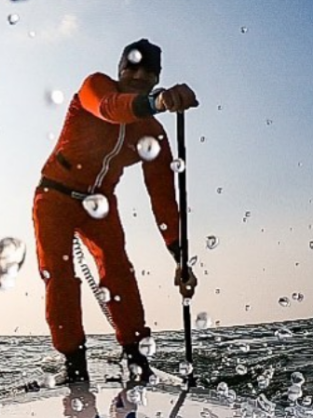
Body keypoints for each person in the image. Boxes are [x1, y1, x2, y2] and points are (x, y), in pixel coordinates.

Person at [32, 38, 199, 383]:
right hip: (55, 196)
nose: (138, 75)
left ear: (157, 77)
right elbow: (110, 108)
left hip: (99, 202)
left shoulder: (153, 133)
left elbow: (164, 199)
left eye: (148, 71)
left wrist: (180, 258)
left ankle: (135, 357)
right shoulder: (95, 87)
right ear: (120, 70)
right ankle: (74, 364)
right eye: (131, 67)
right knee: (59, 275)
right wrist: (157, 102)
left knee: (119, 271)